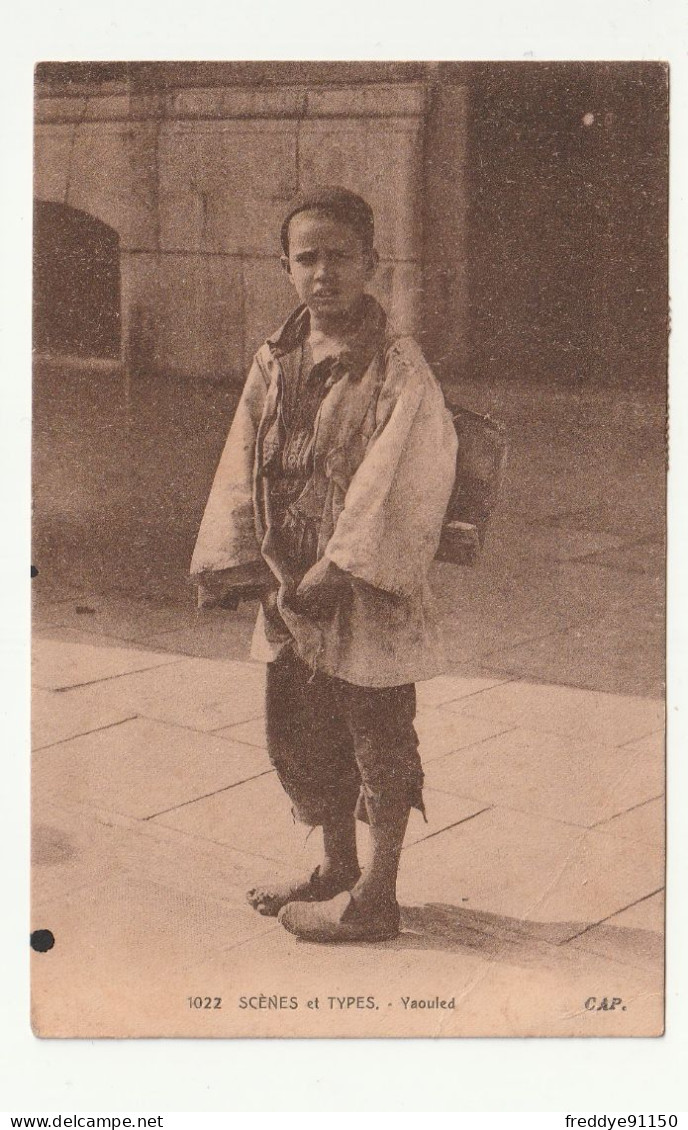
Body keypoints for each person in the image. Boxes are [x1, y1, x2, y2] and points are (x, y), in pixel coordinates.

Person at [190, 186, 458, 943]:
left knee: (377, 734)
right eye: (306, 258)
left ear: (372, 263)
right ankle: (337, 865)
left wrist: (337, 569)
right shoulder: (276, 358)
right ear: (284, 267)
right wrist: (243, 563)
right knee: (303, 730)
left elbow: (401, 477)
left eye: (340, 256)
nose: (322, 273)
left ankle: (380, 893)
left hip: (360, 591)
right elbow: (241, 460)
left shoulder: (399, 369)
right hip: (287, 585)